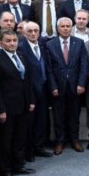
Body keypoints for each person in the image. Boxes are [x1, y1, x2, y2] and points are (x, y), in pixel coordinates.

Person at [0, 29, 36, 176]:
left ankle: (18, 165)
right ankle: (5, 170)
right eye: (8, 41)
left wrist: (30, 101)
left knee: (19, 138)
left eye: (14, 40)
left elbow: (27, 81)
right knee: (4, 141)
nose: (12, 43)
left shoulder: (21, 56)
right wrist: (0, 110)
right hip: (6, 108)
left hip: (22, 105)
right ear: (0, 43)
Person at [46, 17, 89, 154]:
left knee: (74, 115)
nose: (65, 29)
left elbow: (84, 65)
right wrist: (53, 86)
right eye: (62, 26)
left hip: (75, 87)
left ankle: (74, 140)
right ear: (58, 28)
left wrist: (81, 83)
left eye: (68, 26)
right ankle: (60, 141)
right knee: (58, 116)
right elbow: (48, 69)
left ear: (71, 28)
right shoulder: (50, 44)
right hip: (58, 88)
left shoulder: (79, 43)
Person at [17, 21, 52, 160]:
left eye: (35, 31)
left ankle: (39, 147)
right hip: (29, 91)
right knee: (29, 122)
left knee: (41, 120)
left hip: (43, 88)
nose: (33, 33)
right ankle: (29, 151)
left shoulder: (43, 45)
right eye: (29, 31)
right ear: (24, 33)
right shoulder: (20, 48)